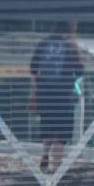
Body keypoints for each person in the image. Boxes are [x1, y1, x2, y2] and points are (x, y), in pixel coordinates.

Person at [30, 21, 83, 172]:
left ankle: (45, 154)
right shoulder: (71, 46)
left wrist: (35, 92)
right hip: (64, 96)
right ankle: (57, 167)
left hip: (45, 94)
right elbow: (80, 70)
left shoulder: (43, 44)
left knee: (47, 125)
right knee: (62, 131)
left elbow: (33, 68)